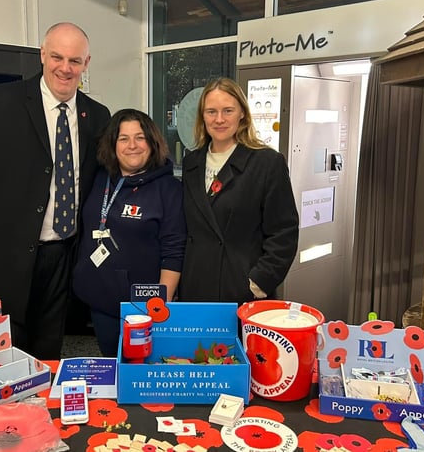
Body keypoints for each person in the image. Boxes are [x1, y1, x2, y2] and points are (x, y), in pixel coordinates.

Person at [0, 22, 110, 360]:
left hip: (65, 253)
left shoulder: (97, 115)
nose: (65, 68)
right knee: (1, 349)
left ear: (87, 63)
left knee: (49, 346)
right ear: (42, 55)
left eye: (75, 61)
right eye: (57, 57)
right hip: (2, 254)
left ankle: (40, 410)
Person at [72, 109, 186, 356]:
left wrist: (160, 304)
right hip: (100, 301)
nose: (132, 145)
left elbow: (174, 250)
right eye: (123, 138)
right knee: (114, 370)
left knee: (142, 375)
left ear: (152, 142)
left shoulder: (169, 189)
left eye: (140, 137)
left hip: (143, 306)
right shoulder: (100, 178)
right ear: (113, 145)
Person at [180, 77, 298, 304]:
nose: (219, 119)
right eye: (211, 112)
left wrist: (260, 282)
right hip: (196, 287)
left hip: (242, 289)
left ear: (242, 113)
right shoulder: (191, 163)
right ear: (202, 117)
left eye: (228, 110)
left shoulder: (266, 162)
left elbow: (284, 232)